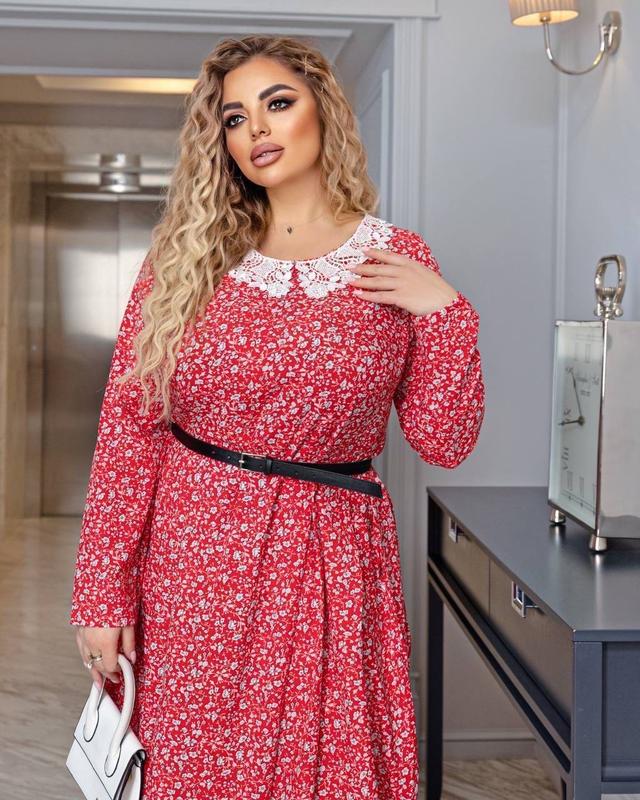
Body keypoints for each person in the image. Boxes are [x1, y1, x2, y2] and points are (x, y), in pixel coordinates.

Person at [69, 33, 485, 800]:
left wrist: (448, 313)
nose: (256, 129)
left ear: (323, 110)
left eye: (278, 103)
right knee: (196, 767)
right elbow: (130, 432)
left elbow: (444, 441)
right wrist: (103, 594)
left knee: (322, 771)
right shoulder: (184, 261)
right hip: (196, 564)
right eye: (235, 118)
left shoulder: (393, 258)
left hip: (334, 564)